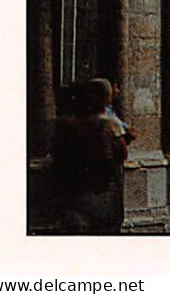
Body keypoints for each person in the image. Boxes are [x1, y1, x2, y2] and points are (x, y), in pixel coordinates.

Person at [49, 79, 128, 232]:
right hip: (101, 189)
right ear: (105, 98)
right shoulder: (109, 123)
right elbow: (122, 154)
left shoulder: (63, 124)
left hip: (73, 192)